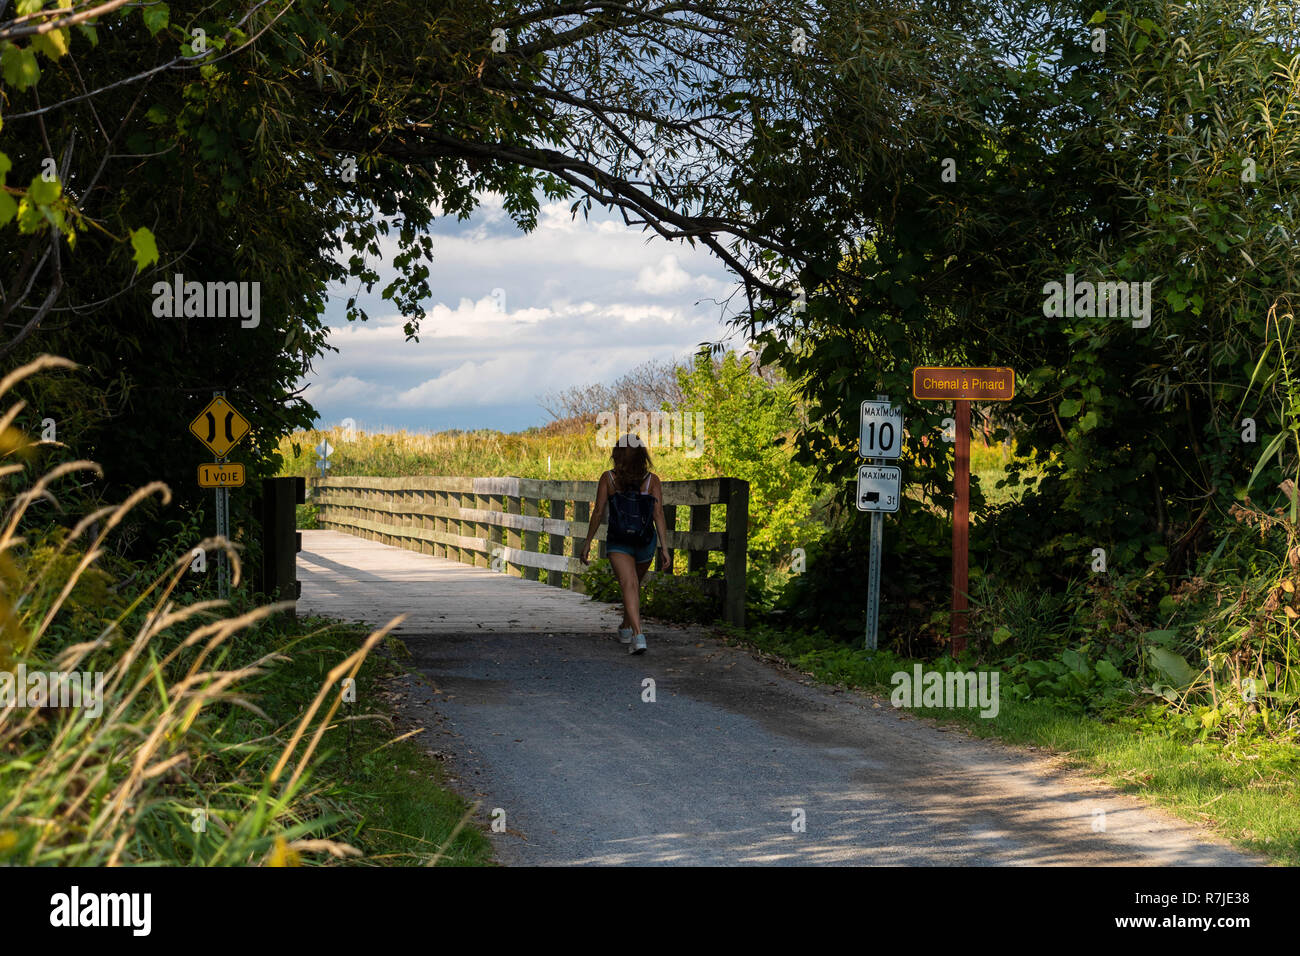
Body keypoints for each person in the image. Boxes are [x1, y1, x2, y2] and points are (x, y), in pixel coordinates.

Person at [578, 435, 672, 654]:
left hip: (619, 541)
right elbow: (658, 514)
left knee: (630, 586)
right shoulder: (652, 480)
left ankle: (628, 628)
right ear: (643, 455)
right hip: (645, 541)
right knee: (632, 585)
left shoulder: (608, 479)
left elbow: (599, 511)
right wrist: (664, 548)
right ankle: (637, 634)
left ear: (616, 454)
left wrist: (587, 542)